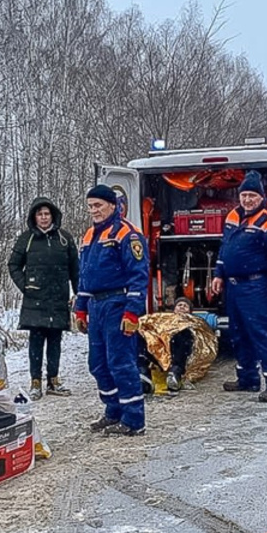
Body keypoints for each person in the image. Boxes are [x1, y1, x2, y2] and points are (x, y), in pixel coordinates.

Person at [210, 170, 267, 402]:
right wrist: (218, 274)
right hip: (234, 286)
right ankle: (248, 378)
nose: (247, 200)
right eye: (244, 195)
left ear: (261, 197)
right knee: (238, 334)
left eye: (252, 196)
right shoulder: (233, 216)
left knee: (263, 334)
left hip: (257, 286)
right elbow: (224, 248)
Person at [73, 184, 149, 436]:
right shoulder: (88, 236)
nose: (94, 210)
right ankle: (113, 410)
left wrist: (132, 313)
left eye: (98, 205)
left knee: (121, 363)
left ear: (112, 206)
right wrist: (80, 308)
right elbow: (85, 277)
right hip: (96, 307)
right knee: (98, 364)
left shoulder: (128, 234)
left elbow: (139, 276)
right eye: (90, 206)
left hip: (118, 304)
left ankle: (133, 419)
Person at [8, 197, 79, 400]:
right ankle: (35, 382)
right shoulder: (26, 239)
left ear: (53, 215)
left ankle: (54, 380)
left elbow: (76, 270)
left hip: (59, 299)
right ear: (34, 217)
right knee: (36, 342)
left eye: (47, 214)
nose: (44, 217)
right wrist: (26, 285)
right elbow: (13, 265)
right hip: (35, 301)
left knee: (55, 341)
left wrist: (78, 293)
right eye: (40, 214)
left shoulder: (65, 238)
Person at [138, 297, 218, 393]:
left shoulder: (194, 322)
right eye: (179, 305)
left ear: (190, 311)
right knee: (143, 333)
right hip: (161, 348)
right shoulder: (165, 319)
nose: (182, 307)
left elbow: (203, 334)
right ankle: (144, 375)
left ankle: (176, 372)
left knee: (183, 332)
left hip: (180, 350)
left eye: (185, 306)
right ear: (174, 309)